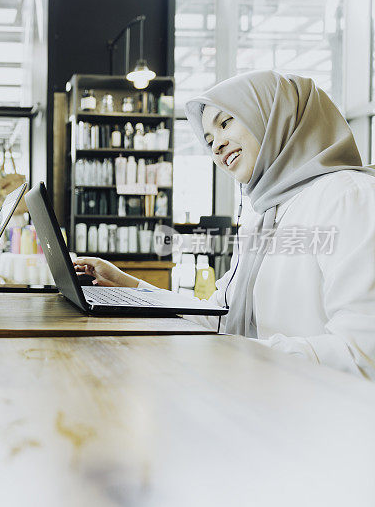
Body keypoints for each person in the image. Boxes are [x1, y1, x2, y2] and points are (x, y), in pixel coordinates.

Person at [74, 70, 375, 379]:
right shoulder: (263, 215)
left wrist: (236, 356)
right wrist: (129, 285)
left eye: (225, 123)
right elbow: (218, 317)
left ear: (275, 115)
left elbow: (363, 354)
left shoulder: (348, 197)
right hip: (262, 396)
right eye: (209, 139)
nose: (215, 146)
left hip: (322, 412)